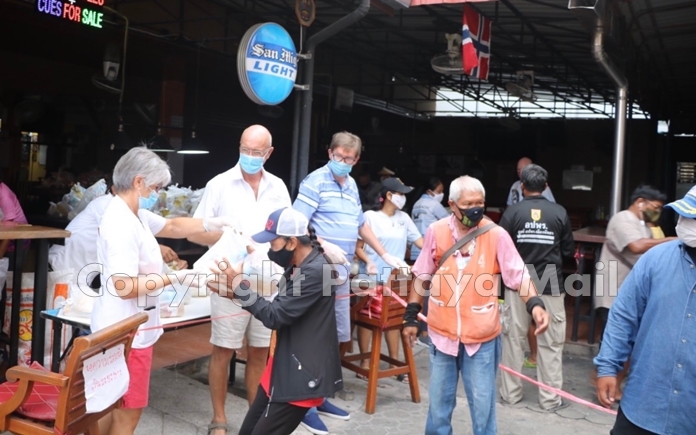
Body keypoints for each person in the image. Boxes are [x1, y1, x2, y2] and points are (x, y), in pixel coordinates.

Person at [94, 147, 232, 435]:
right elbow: (125, 286)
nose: (158, 193)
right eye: (156, 187)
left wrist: (209, 223)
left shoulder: (136, 214)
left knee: (110, 404)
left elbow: (172, 225)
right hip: (127, 333)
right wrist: (175, 279)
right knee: (127, 411)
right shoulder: (120, 223)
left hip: (126, 329)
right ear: (138, 181)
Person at [402, 175, 551, 435]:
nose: (475, 208)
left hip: (481, 340)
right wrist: (411, 316)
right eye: (468, 203)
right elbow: (421, 275)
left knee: (483, 413)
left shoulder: (497, 235)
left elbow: (519, 275)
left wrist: (535, 304)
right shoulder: (436, 232)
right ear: (452, 204)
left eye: (480, 203)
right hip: (441, 337)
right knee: (438, 411)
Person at [293, 131, 409, 434]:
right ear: (330, 152)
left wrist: (384, 254)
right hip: (318, 267)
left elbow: (360, 224)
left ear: (356, 160)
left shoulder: (352, 184)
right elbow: (296, 222)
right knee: (314, 336)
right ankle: (303, 406)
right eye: (338, 156)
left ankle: (318, 397)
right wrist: (321, 244)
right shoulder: (315, 181)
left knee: (336, 335)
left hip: (342, 271)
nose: (342, 161)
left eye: (349, 158)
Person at [188, 125, 292, 435]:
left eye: (256, 152)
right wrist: (227, 234)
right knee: (224, 348)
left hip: (267, 281)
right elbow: (195, 230)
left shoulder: (278, 187)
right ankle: (219, 418)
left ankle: (255, 416)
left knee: (261, 350)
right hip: (228, 279)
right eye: (245, 150)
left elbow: (286, 230)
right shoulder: (219, 184)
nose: (249, 156)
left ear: (268, 153)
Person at [209, 207, 343, 435]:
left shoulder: (316, 271)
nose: (271, 250)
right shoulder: (296, 267)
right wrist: (234, 294)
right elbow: (282, 307)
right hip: (281, 367)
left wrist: (240, 288)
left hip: (301, 375)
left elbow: (275, 315)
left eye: (273, 244)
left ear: (292, 242)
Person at [594, 186, 696, 434]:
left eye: (693, 218)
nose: (684, 223)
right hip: (643, 407)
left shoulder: (646, 226)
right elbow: (623, 316)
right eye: (683, 216)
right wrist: (608, 366)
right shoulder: (656, 255)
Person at [498, 164, 575, 411]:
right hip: (550, 281)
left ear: (522, 187)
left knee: (513, 338)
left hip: (517, 282)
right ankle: (550, 399)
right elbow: (566, 251)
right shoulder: (559, 212)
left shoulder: (511, 213)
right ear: (546, 186)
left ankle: (510, 395)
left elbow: (502, 251)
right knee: (551, 341)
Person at [593, 185, 676, 400]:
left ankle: (616, 387)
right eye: (655, 207)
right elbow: (637, 246)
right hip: (612, 290)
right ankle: (605, 386)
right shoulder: (622, 219)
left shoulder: (643, 224)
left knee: (630, 342)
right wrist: (672, 240)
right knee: (614, 342)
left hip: (628, 292)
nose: (656, 212)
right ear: (641, 202)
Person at [354, 177, 423, 382]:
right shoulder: (370, 217)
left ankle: (395, 361)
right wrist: (369, 261)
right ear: (389, 196)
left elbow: (420, 242)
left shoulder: (404, 218)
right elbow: (358, 247)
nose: (403, 197)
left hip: (397, 279)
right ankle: (365, 362)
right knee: (368, 321)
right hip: (372, 277)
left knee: (394, 320)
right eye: (400, 194)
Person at [49, 190, 193, 289]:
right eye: (153, 188)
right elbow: (121, 237)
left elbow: (171, 226)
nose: (154, 194)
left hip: (83, 277)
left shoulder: (136, 213)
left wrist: (172, 267)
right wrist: (158, 249)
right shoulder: (107, 205)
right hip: (62, 272)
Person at [410, 177, 449, 347]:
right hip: (430, 252)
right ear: (430, 191)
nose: (441, 194)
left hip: (415, 251)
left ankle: (418, 327)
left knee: (418, 290)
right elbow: (450, 222)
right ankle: (425, 332)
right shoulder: (434, 205)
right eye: (440, 191)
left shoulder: (416, 204)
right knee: (429, 294)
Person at [0, 169, 29, 263]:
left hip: (16, 242)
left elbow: (9, 231)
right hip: (4, 235)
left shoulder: (5, 197)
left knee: (10, 274)